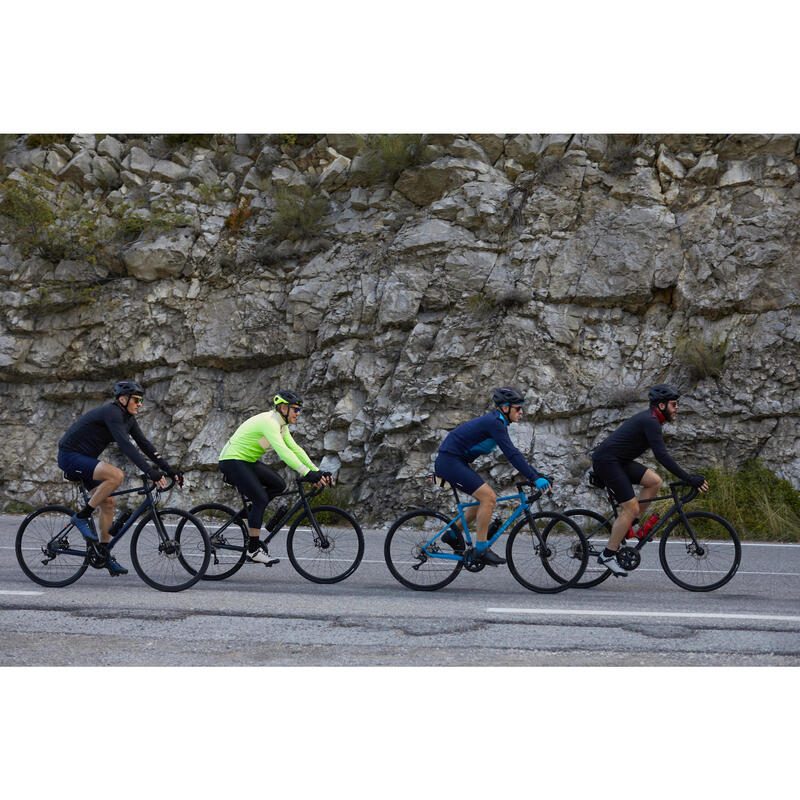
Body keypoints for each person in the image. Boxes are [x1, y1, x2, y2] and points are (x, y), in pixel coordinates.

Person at [57, 380, 183, 575]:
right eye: (136, 399)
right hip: (70, 456)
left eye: (141, 400)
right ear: (123, 399)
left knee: (108, 503)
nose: (140, 403)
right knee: (116, 476)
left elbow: (145, 445)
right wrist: (150, 472)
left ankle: (103, 554)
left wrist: (170, 469)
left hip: (85, 459)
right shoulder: (112, 413)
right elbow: (126, 446)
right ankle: (81, 517)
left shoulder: (128, 418)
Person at [590, 383, 709, 577]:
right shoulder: (651, 421)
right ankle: (608, 554)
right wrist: (689, 478)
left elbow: (662, 456)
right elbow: (662, 456)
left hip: (619, 461)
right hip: (607, 462)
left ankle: (632, 525)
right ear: (661, 406)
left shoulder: (654, 420)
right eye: (674, 404)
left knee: (654, 481)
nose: (676, 408)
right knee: (630, 508)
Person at [434, 387, 552, 566]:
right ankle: (481, 549)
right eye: (518, 408)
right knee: (488, 497)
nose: (521, 412)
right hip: (449, 462)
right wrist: (534, 478)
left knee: (480, 501)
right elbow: (511, 454)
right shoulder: (495, 423)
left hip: (455, 461)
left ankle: (451, 535)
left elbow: (514, 454)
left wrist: (536, 475)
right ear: (505, 408)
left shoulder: (498, 423)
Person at [218, 390, 333, 566]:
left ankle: (250, 514)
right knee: (261, 498)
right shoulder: (269, 422)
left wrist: (317, 471)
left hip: (246, 461)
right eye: (295, 409)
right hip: (231, 461)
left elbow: (295, 449)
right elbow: (283, 452)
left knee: (279, 485)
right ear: (283, 408)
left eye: (299, 410)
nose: (298, 413)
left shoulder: (282, 426)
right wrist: (307, 473)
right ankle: (254, 550)